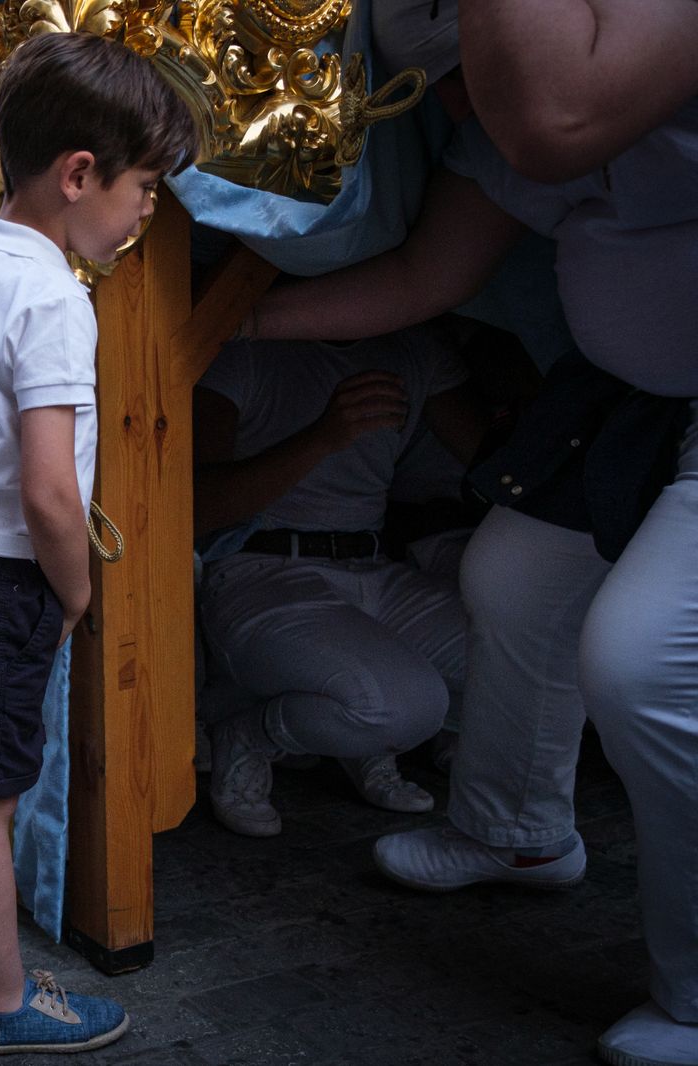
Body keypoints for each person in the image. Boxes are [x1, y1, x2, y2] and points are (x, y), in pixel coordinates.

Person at [247, 3, 698, 1062]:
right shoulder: (495, 120)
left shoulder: (592, 71)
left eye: (464, 77)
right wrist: (216, 326)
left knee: (645, 663)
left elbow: (550, 117)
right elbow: (422, 278)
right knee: (511, 579)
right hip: (638, 403)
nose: (452, 107)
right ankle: (516, 833)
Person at [0, 32, 195, 1056]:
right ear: (78, 174)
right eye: (145, 185)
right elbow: (53, 494)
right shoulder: (54, 294)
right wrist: (74, 592)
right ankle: (2, 1004)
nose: (148, 209)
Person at [194, 326, 481, 837]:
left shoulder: (414, 343)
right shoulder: (245, 347)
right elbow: (201, 507)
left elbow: (493, 463)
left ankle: (353, 735)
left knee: (519, 658)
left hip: (374, 566)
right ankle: (248, 734)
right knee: (410, 707)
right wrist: (323, 436)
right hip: (261, 569)